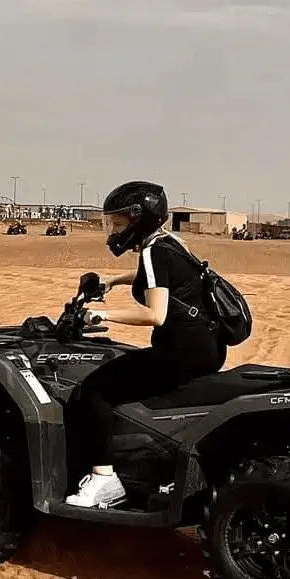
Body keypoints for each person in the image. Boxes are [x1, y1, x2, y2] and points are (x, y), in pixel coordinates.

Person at [66, 181, 228, 508]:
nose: (115, 229)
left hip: (181, 353)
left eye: (120, 223)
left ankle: (104, 480)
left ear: (139, 219)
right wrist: (113, 281)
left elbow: (156, 315)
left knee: (95, 390)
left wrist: (103, 316)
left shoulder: (154, 251)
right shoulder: (170, 242)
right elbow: (155, 276)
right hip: (206, 348)